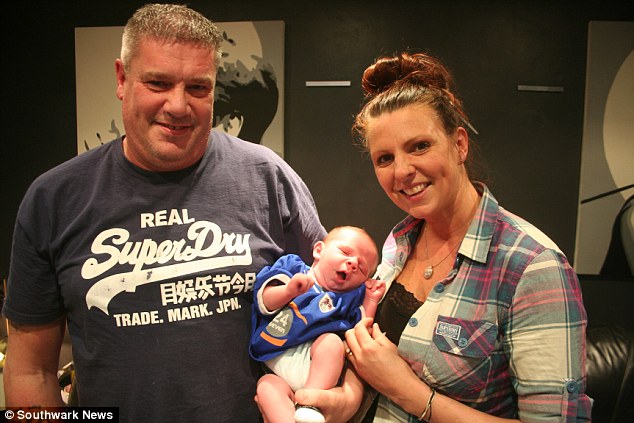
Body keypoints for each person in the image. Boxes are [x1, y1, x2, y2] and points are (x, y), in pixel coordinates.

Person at [2, 4, 358, 422]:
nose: (178, 105)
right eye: (158, 82)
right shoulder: (53, 199)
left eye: (198, 88)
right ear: (122, 79)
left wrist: (347, 397)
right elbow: (31, 369)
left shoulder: (269, 177)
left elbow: (336, 307)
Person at [343, 52, 592, 422]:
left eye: (419, 146)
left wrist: (412, 394)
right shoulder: (400, 241)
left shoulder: (533, 267)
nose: (403, 171)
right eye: (384, 158)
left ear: (459, 144)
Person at [250, 226, 384, 423]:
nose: (353, 263)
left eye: (362, 268)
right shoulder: (293, 268)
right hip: (275, 358)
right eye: (345, 252)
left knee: (331, 343)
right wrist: (288, 291)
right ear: (319, 250)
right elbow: (264, 300)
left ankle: (309, 405)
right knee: (266, 388)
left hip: (316, 368)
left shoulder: (346, 299)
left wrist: (371, 300)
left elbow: (361, 330)